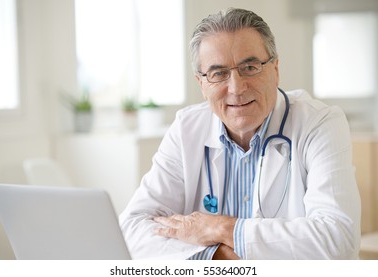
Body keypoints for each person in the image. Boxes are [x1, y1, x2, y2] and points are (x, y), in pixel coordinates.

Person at [119, 8, 361, 260]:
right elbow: (132, 228)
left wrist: (221, 228)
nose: (236, 88)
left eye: (250, 67)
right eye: (218, 73)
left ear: (275, 69)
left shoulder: (319, 123)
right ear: (202, 84)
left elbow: (339, 239)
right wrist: (216, 257)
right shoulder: (186, 128)